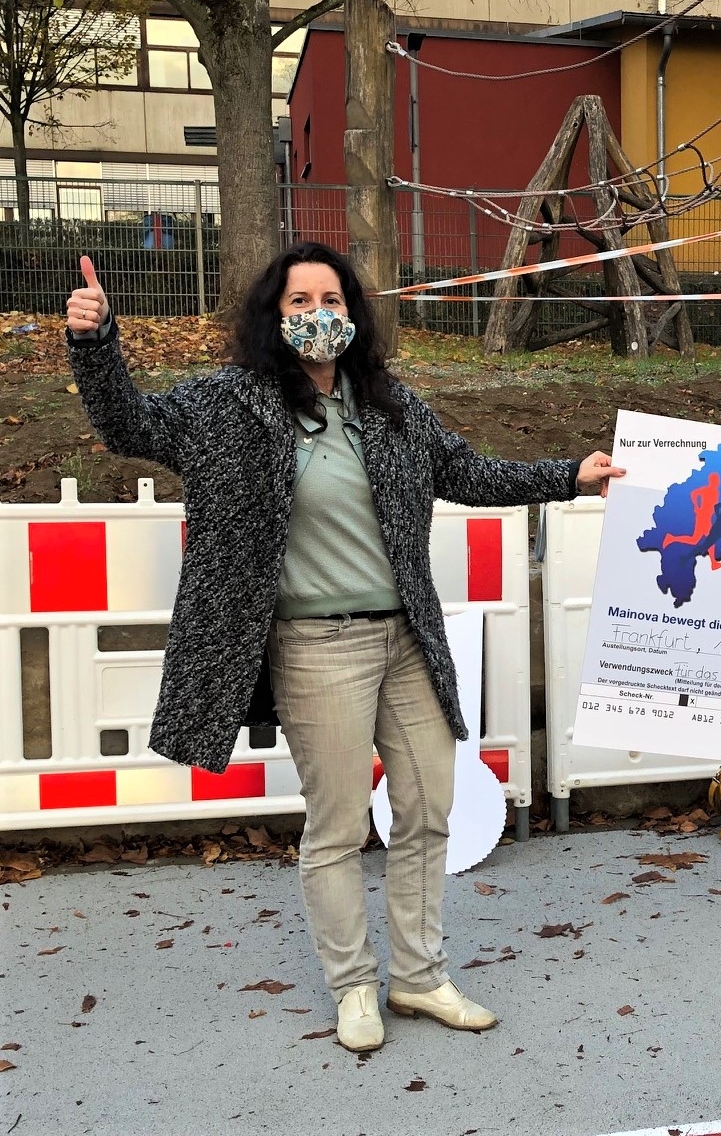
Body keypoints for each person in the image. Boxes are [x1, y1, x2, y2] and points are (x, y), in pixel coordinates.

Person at [65, 242, 623, 1052]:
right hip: (312, 647)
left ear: (354, 315)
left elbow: (468, 474)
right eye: (298, 302)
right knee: (334, 826)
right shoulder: (227, 404)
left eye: (330, 299)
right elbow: (127, 424)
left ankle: (419, 975)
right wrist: (95, 340)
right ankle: (353, 986)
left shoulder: (389, 406)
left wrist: (568, 474)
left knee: (428, 806)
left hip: (404, 638)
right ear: (273, 316)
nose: (316, 314)